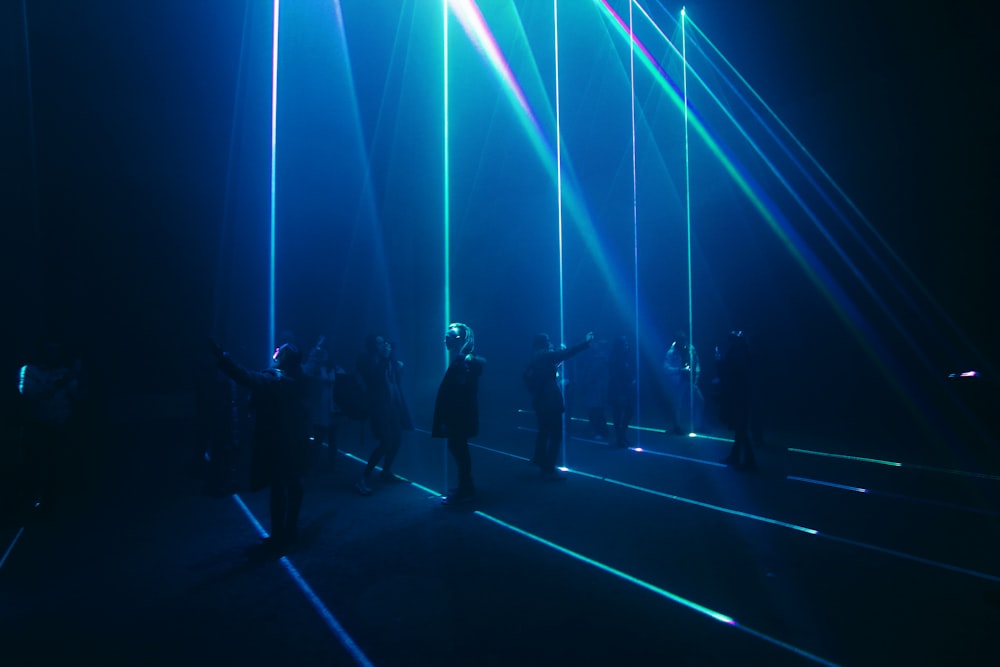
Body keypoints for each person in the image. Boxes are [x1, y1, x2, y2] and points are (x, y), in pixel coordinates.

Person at [210, 339, 309, 554]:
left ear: (284, 357)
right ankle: (290, 530)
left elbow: (247, 378)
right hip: (296, 439)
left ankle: (278, 538)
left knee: (279, 488)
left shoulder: (277, 378)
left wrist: (224, 360)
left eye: (280, 350)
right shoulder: (298, 378)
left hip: (279, 441)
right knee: (294, 485)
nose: (275, 350)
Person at [526, 330, 594, 480]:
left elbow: (554, 362)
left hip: (541, 400)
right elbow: (567, 354)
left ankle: (540, 459)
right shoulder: (544, 355)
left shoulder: (536, 356)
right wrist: (585, 342)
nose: (550, 343)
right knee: (556, 433)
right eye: (548, 341)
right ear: (544, 343)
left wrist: (559, 353)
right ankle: (548, 467)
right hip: (549, 400)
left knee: (544, 431)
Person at [432, 323, 486, 505]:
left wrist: (447, 419)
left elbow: (457, 394)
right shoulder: (463, 360)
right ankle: (465, 487)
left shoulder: (462, 362)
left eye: (450, 336)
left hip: (458, 417)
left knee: (459, 450)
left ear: (459, 340)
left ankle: (465, 489)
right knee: (458, 449)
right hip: (461, 416)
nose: (445, 339)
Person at [354, 334, 413, 495]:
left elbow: (395, 380)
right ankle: (363, 479)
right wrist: (387, 359)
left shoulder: (387, 360)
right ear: (372, 345)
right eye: (379, 343)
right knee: (386, 442)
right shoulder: (366, 360)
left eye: (384, 342)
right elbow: (373, 378)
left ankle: (386, 471)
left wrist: (394, 364)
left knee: (397, 439)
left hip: (393, 405)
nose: (383, 345)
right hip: (378, 407)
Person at [719, 330, 757, 470]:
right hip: (741, 394)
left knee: (740, 428)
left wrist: (720, 364)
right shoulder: (742, 353)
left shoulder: (738, 354)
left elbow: (734, 374)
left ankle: (749, 460)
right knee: (739, 428)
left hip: (739, 395)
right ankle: (736, 456)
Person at [663, 330, 703, 434]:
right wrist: (679, 370)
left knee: (700, 400)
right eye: (681, 341)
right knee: (677, 405)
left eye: (685, 341)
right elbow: (666, 368)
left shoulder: (690, 348)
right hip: (678, 381)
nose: (684, 343)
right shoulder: (671, 353)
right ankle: (677, 426)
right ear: (677, 341)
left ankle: (698, 425)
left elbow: (696, 360)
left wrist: (697, 374)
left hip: (690, 380)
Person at [607, 335, 636, 448]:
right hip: (617, 389)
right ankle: (620, 438)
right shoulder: (614, 358)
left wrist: (631, 379)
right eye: (625, 343)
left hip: (623, 388)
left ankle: (621, 436)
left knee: (627, 412)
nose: (627, 345)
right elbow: (615, 376)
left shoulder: (624, 357)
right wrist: (620, 392)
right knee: (618, 413)